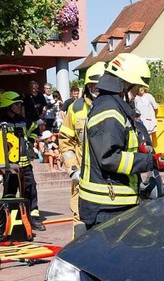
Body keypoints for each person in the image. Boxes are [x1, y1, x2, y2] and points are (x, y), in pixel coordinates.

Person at [80, 53, 164, 230]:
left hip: (111, 203)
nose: (136, 95)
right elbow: (109, 158)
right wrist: (150, 161)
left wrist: (140, 150)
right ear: (124, 85)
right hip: (107, 206)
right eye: (136, 89)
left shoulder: (109, 105)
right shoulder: (110, 110)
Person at [59, 61, 105, 237]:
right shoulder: (76, 108)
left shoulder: (116, 106)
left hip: (109, 178)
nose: (98, 89)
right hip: (83, 178)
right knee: (81, 221)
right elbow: (65, 140)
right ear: (88, 85)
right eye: (95, 85)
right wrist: (73, 169)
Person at [0, 91, 46, 231]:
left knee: (30, 191)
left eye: (19, 104)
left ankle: (32, 219)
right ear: (7, 105)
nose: (19, 106)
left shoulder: (23, 121)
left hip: (25, 165)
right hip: (10, 165)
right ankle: (5, 222)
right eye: (16, 104)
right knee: (9, 193)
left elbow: (35, 129)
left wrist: (31, 140)